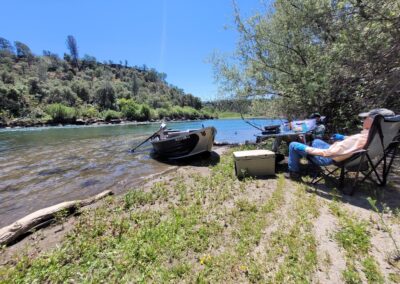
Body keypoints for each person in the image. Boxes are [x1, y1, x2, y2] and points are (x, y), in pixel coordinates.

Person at [286, 108, 395, 180]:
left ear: (372, 120)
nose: (363, 120)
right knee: (316, 141)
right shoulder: (379, 137)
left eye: (366, 117)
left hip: (330, 157)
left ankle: (294, 173)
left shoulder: (359, 138)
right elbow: (358, 142)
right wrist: (343, 138)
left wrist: (307, 149)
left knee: (293, 145)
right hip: (349, 154)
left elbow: (327, 153)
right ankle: (310, 165)